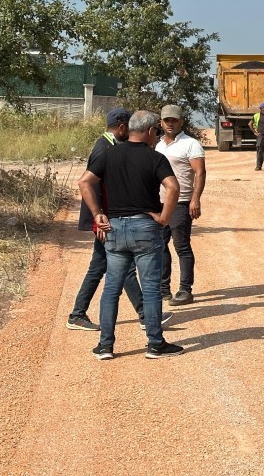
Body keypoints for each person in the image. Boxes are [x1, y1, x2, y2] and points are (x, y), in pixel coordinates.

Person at [77, 110, 184, 359]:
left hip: (114, 227)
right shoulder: (155, 158)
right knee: (150, 288)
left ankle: (105, 345)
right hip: (145, 227)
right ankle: (155, 344)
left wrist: (97, 214)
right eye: (155, 131)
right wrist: (165, 217)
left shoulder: (109, 153)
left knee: (111, 288)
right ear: (148, 131)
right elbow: (173, 187)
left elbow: (84, 182)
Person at [156, 104, 206, 305]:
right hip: (160, 202)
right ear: (161, 122)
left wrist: (195, 198)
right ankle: (163, 288)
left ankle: (185, 289)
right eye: (167, 120)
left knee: (181, 246)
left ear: (181, 122)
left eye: (174, 120)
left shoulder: (191, 144)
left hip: (181, 202)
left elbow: (200, 173)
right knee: (160, 245)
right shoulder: (158, 145)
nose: (170, 123)